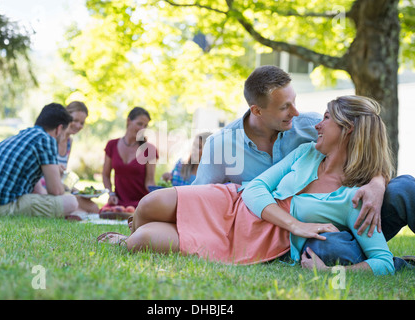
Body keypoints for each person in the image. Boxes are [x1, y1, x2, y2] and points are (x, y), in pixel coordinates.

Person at [98, 96, 399, 275]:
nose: (317, 125)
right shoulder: (306, 152)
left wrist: (332, 272)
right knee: (150, 205)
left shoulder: (355, 198)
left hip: (254, 240)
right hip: (234, 202)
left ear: (347, 131)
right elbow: (255, 188)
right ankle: (139, 224)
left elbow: (383, 262)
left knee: (141, 242)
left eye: (326, 119)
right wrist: (295, 224)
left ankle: (127, 239)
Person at [192, 65, 414, 241]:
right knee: (329, 248)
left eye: (294, 101)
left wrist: (376, 184)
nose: (296, 112)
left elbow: (365, 149)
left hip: (348, 218)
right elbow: (201, 200)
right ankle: (373, 261)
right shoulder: (220, 145)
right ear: (257, 110)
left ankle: (367, 257)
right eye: (284, 107)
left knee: (406, 187)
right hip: (291, 236)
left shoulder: (310, 126)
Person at [0, 103, 79, 217]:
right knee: (71, 202)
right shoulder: (46, 139)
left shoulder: (24, 135)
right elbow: (56, 191)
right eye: (65, 133)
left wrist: (54, 169)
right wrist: (61, 180)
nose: (64, 137)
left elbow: (40, 191)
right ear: (59, 129)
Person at [33, 101, 99, 214]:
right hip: (43, 189)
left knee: (93, 208)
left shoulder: (69, 142)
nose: (78, 125)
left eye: (82, 123)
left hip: (58, 188)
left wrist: (75, 190)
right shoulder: (52, 137)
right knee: (78, 210)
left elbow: (61, 174)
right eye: (75, 120)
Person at [101, 107, 158, 209]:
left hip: (140, 203)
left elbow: (149, 182)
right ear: (128, 121)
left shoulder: (149, 150)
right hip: (118, 202)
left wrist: (155, 199)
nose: (142, 129)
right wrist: (111, 194)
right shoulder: (112, 145)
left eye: (145, 126)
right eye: (139, 124)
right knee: (105, 213)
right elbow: (105, 175)